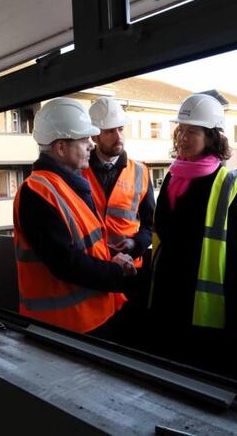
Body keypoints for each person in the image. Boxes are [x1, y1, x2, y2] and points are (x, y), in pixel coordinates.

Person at [13, 97, 137, 337]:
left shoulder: (68, 185)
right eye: (84, 139)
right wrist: (115, 271)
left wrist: (111, 256)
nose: (91, 145)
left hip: (91, 317)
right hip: (66, 328)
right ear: (61, 148)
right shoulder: (37, 192)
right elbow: (65, 262)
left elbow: (83, 244)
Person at [147, 93, 237, 374]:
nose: (182, 138)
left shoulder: (229, 183)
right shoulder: (172, 175)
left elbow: (236, 254)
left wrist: (235, 317)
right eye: (180, 130)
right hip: (166, 295)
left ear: (211, 137)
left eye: (192, 131)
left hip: (202, 305)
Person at [81, 97, 156, 346]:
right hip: (95, 268)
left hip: (131, 271)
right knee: (100, 338)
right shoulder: (78, 171)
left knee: (131, 337)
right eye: (110, 131)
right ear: (95, 136)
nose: (118, 136)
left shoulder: (140, 171)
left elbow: (151, 224)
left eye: (121, 129)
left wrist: (135, 244)